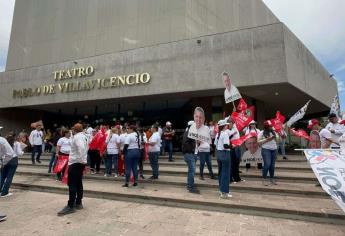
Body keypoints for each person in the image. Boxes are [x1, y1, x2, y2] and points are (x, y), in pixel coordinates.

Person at [58, 123, 88, 216]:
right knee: (78, 183)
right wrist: (83, 161)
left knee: (72, 184)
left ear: (74, 130)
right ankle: (78, 202)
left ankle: (71, 205)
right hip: (79, 163)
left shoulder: (78, 137)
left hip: (76, 163)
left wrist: (81, 160)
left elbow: (81, 148)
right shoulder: (84, 136)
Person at [215, 119, 232, 199]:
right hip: (225, 154)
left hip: (219, 154)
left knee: (221, 173)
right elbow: (226, 146)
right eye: (226, 125)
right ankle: (224, 192)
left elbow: (216, 144)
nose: (227, 126)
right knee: (225, 173)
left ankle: (221, 190)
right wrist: (232, 146)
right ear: (224, 126)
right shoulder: (225, 134)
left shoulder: (218, 134)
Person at [258, 120, 278, 186]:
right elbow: (258, 142)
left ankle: (271, 179)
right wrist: (267, 139)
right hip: (266, 149)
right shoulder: (261, 132)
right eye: (269, 126)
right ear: (266, 127)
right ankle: (264, 179)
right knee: (267, 164)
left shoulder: (274, 132)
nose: (271, 127)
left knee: (272, 166)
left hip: (274, 149)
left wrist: (280, 136)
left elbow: (278, 140)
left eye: (271, 126)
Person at [182, 121, 199, 194]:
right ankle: (190, 187)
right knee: (192, 171)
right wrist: (191, 150)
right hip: (189, 154)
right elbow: (185, 143)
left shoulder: (190, 132)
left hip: (191, 154)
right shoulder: (188, 132)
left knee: (191, 170)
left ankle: (190, 184)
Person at [226, 119, 242, 183]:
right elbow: (227, 138)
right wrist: (232, 134)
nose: (231, 124)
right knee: (232, 164)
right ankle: (231, 178)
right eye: (229, 123)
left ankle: (237, 178)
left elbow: (235, 117)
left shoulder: (235, 127)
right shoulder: (226, 131)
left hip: (237, 146)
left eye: (232, 123)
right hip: (231, 148)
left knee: (236, 162)